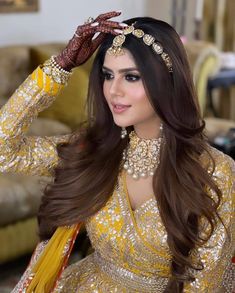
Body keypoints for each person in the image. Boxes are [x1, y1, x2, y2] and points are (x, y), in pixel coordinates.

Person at [0, 10, 234, 293]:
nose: (113, 90)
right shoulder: (94, 150)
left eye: (131, 77)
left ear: (166, 82)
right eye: (108, 75)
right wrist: (60, 67)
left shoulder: (215, 172)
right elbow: (5, 150)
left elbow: (203, 286)